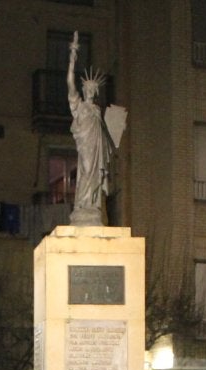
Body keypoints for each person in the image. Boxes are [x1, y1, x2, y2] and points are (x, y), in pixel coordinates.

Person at [66, 31, 116, 225]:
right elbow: (70, 83)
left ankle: (92, 207)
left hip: (96, 147)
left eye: (92, 90)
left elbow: (104, 133)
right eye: (87, 88)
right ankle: (83, 206)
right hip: (85, 145)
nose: (89, 91)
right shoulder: (78, 106)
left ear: (95, 92)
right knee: (86, 171)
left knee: (94, 174)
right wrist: (72, 58)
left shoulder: (96, 110)